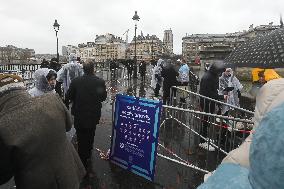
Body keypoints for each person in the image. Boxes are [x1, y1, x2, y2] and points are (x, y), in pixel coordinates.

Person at [0, 74, 85, 189]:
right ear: (22, 87)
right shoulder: (53, 99)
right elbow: (68, 126)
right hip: (69, 172)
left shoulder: (3, 125)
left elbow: (4, 174)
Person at [197, 80, 284, 189]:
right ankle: (214, 140)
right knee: (218, 123)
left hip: (227, 105)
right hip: (223, 104)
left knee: (223, 124)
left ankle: (219, 140)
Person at [66, 61, 107, 174]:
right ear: (93, 69)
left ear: (83, 69)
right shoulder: (99, 82)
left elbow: (69, 96)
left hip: (79, 114)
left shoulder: (76, 81)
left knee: (80, 136)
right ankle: (88, 154)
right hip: (93, 115)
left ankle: (82, 159)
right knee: (90, 134)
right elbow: (103, 97)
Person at [198, 62, 227, 150]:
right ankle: (202, 142)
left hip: (209, 102)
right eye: (220, 72)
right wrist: (221, 97)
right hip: (206, 102)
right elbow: (208, 93)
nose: (221, 74)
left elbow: (214, 90)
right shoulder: (208, 78)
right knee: (205, 121)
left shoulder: (213, 76)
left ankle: (204, 138)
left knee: (207, 121)